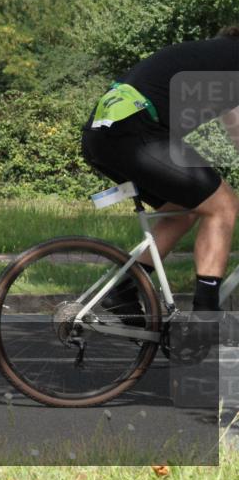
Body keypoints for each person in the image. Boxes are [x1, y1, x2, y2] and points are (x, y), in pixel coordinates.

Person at [81, 27, 239, 326]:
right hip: (135, 131)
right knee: (224, 206)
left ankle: (124, 291)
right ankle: (206, 317)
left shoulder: (216, 58)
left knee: (182, 212)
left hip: (103, 135)